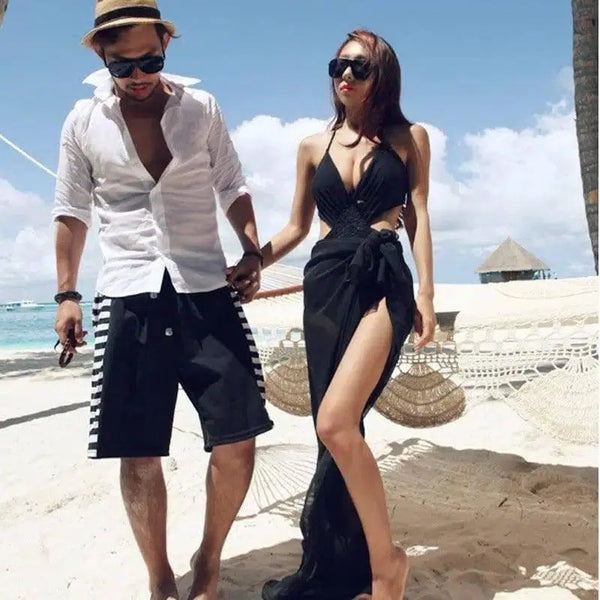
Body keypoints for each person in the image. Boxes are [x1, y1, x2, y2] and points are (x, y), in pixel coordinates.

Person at [52, 2, 273, 599]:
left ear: (166, 47)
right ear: (101, 55)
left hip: (207, 290)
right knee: (139, 451)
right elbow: (70, 209)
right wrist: (67, 294)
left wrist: (251, 251)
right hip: (129, 293)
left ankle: (209, 559)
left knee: (238, 438)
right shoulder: (82, 121)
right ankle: (159, 577)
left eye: (150, 60)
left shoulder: (201, 108)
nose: (139, 75)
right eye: (124, 65)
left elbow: (232, 183)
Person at [240, 29, 436, 600]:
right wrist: (252, 261)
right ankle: (344, 566)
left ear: (382, 76)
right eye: (338, 65)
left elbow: (419, 215)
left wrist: (426, 294)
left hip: (382, 282)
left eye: (359, 67)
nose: (344, 75)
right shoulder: (311, 145)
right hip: (324, 285)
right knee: (338, 432)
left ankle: (387, 563)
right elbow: (297, 228)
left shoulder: (409, 138)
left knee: (334, 421)